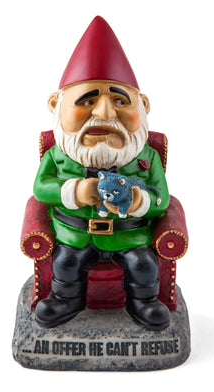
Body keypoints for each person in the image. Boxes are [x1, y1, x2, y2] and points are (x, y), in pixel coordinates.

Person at [33, 16, 170, 331]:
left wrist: (140, 201)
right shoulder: (57, 154)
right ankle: (65, 300)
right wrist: (74, 192)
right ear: (56, 105)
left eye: (120, 100)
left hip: (129, 235)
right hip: (74, 233)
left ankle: (143, 302)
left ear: (143, 106)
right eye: (87, 100)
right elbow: (41, 188)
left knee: (143, 264)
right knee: (66, 263)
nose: (105, 112)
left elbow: (162, 198)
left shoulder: (147, 156)